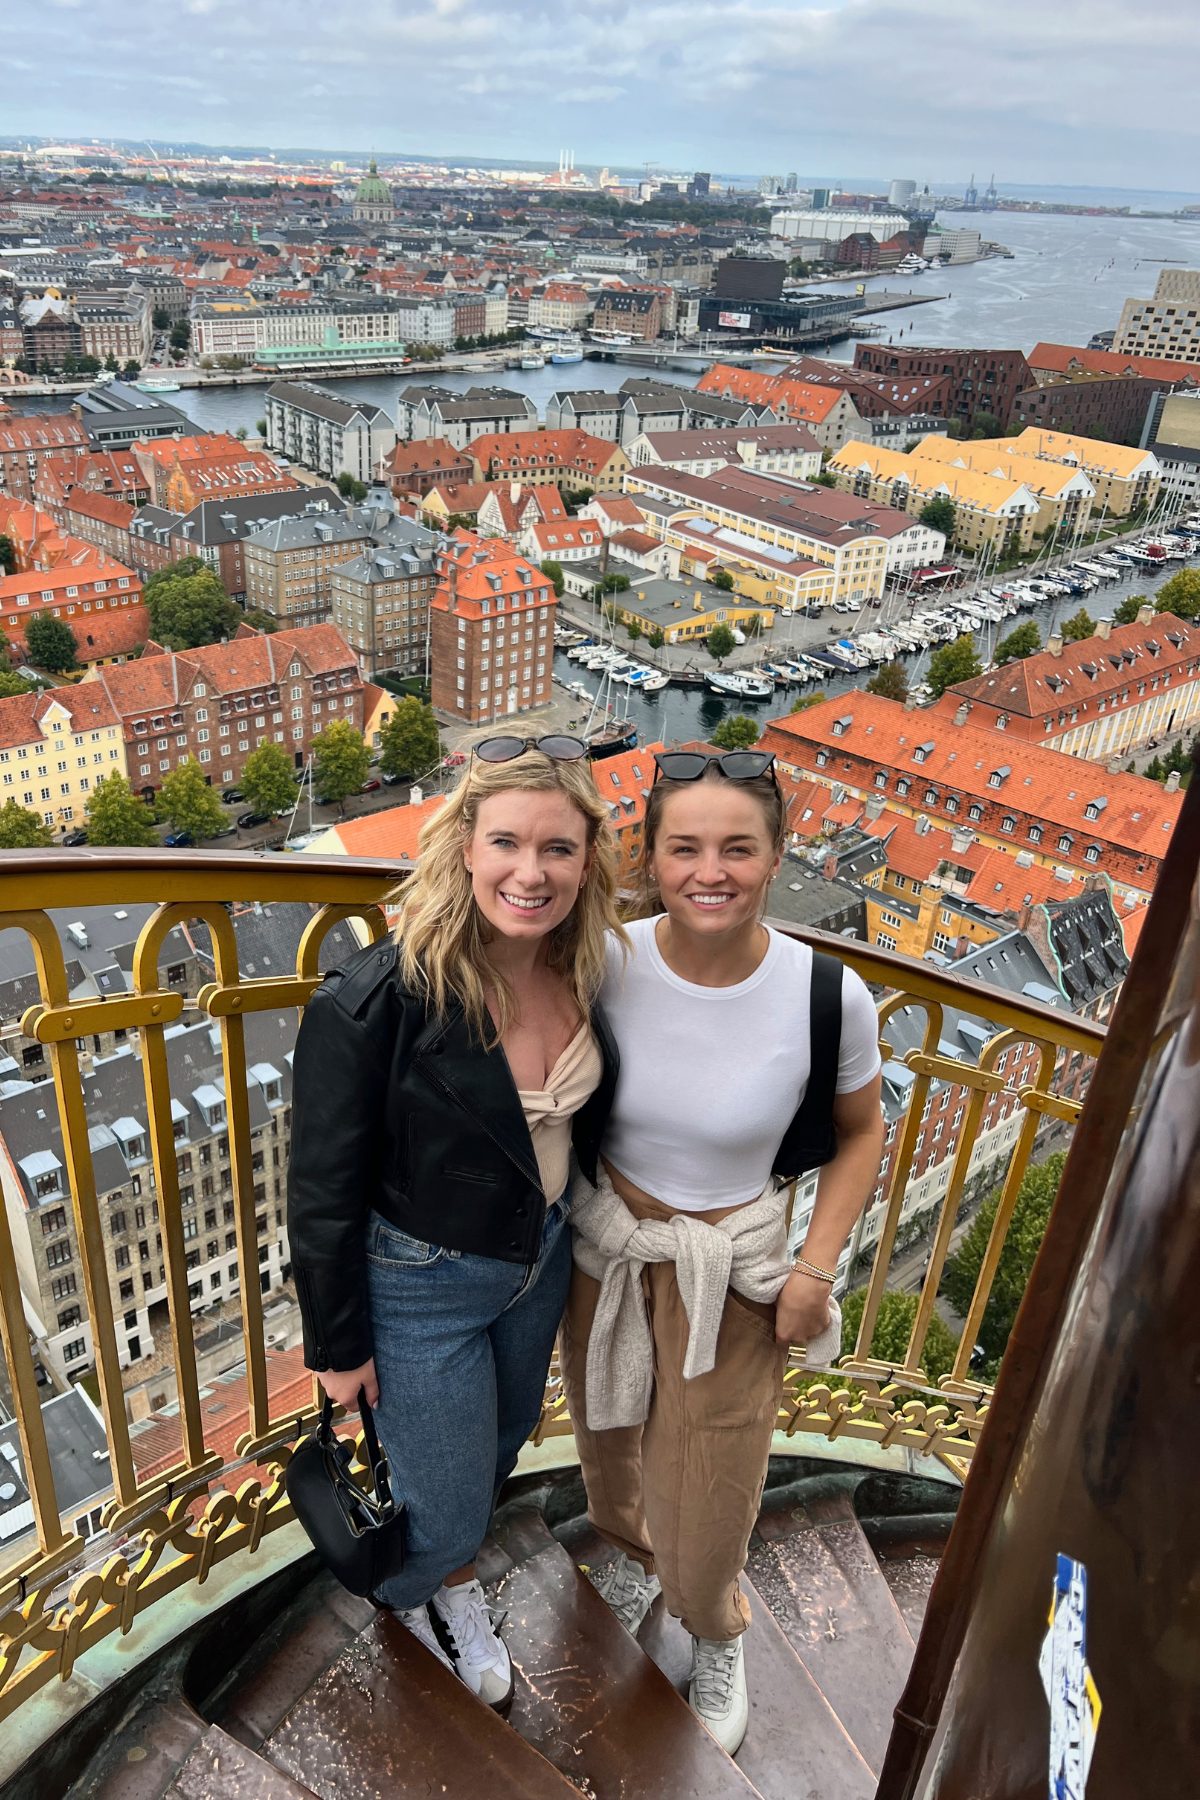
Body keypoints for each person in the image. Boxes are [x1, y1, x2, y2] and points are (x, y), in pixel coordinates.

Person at [288, 735, 624, 1709]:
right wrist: (338, 1345)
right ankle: (411, 1595)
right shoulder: (381, 1000)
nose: (531, 871)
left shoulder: (593, 969)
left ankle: (452, 1579)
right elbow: (322, 1185)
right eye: (507, 843)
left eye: (557, 848)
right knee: (437, 1501)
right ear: (465, 848)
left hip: (542, 1255)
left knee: (502, 1441)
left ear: (587, 859)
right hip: (421, 1284)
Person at [561, 747, 884, 1755]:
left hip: (735, 1271)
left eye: (738, 848)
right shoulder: (604, 964)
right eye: (686, 847)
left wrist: (816, 1269)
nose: (712, 871)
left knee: (714, 1483)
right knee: (610, 1446)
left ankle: (714, 1620)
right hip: (610, 1250)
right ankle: (631, 1553)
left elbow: (860, 1129)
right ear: (649, 857)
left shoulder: (827, 996)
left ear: (777, 856)